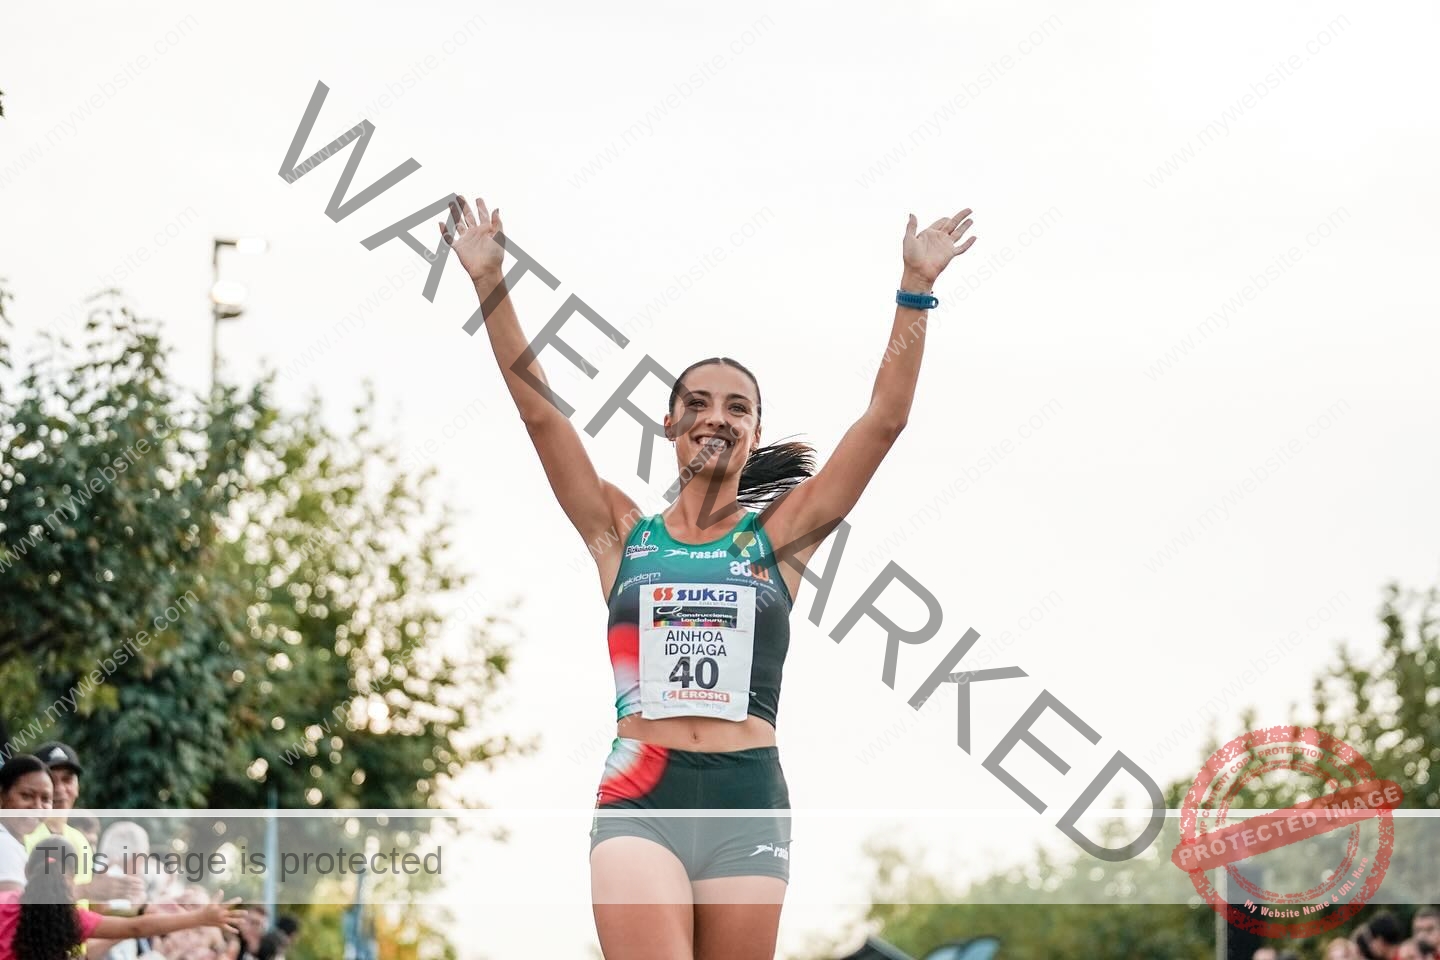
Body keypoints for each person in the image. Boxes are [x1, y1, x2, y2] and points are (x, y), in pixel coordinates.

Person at [440, 195, 976, 960]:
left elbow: (883, 422)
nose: (716, 417)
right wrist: (490, 283)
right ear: (669, 422)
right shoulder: (621, 533)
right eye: (697, 403)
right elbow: (541, 418)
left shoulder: (781, 538)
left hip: (746, 801)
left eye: (737, 408)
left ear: (755, 433)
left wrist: (916, 286)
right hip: (639, 794)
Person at [0, 838, 245, 960]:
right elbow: (136, 927)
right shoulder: (71, 919)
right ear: (72, 877)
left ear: (26, 872)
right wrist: (200, 917)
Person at [24, 743, 140, 909]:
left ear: (78, 787)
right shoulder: (21, 835)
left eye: (67, 779)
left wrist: (143, 908)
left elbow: (86, 911)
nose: (60, 789)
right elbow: (23, 902)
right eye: (51, 780)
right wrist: (87, 890)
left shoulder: (80, 841)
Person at [0, 757, 53, 894]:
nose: (37, 807)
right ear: (2, 797)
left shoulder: (13, 844)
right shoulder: (4, 845)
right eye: (27, 796)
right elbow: (12, 912)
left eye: (45, 799)